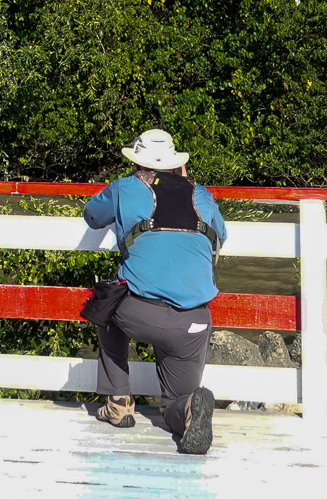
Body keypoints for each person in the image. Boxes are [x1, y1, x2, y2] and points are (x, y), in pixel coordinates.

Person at [83, 129, 227, 455]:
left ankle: (118, 403)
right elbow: (222, 234)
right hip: (193, 322)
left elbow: (92, 216)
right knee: (175, 401)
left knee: (106, 303)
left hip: (138, 313)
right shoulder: (202, 194)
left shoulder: (124, 188)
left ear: (136, 161)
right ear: (178, 164)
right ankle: (189, 408)